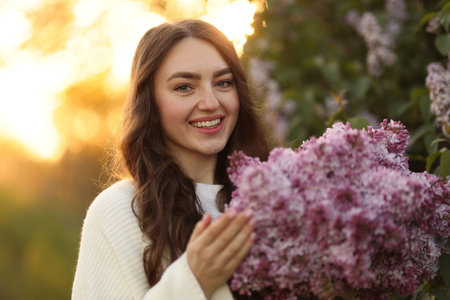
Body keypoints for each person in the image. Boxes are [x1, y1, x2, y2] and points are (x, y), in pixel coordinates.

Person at [72, 19, 271, 300]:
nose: (211, 102)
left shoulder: (271, 195)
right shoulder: (119, 213)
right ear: (150, 102)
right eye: (184, 87)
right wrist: (194, 281)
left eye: (223, 83)